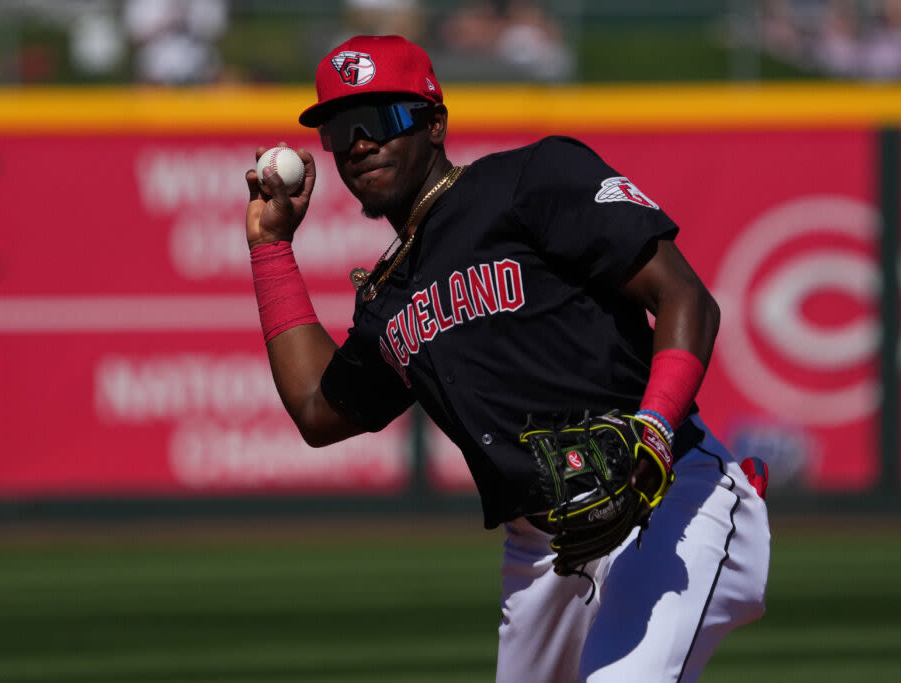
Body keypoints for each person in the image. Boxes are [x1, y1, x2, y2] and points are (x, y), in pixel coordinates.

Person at [244, 34, 771, 682]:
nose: (358, 144)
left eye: (380, 120)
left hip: (668, 497)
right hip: (543, 548)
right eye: (340, 130)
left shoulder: (531, 179)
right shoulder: (387, 298)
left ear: (433, 122)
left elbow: (686, 296)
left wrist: (654, 431)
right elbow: (318, 409)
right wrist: (271, 245)